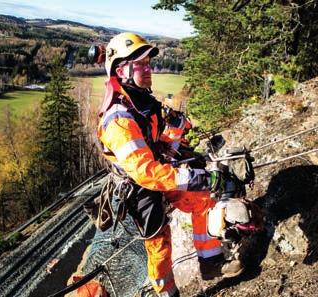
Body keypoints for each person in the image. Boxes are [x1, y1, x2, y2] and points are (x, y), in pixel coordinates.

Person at [96, 32, 242, 297]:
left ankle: (210, 262)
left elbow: (157, 142)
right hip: (138, 185)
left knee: (204, 199)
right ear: (121, 70)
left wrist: (175, 134)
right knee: (159, 243)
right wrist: (198, 177)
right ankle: (167, 293)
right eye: (139, 64)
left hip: (159, 170)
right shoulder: (118, 119)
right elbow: (145, 172)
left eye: (148, 63)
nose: (148, 69)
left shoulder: (144, 103)